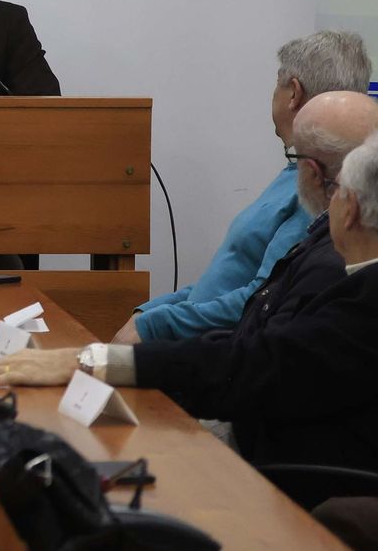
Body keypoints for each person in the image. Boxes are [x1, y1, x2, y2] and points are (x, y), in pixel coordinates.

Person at [0, 92, 378, 472]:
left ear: (350, 209)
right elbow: (254, 342)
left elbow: (259, 364)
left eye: (340, 191)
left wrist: (90, 361)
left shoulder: (350, 288)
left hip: (284, 479)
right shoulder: (330, 256)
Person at [114, 30, 371, 343]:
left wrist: (154, 325)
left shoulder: (316, 189)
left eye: (277, 84)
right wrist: (151, 311)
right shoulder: (300, 174)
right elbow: (222, 282)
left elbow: (263, 298)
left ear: (293, 92)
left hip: (221, 352)